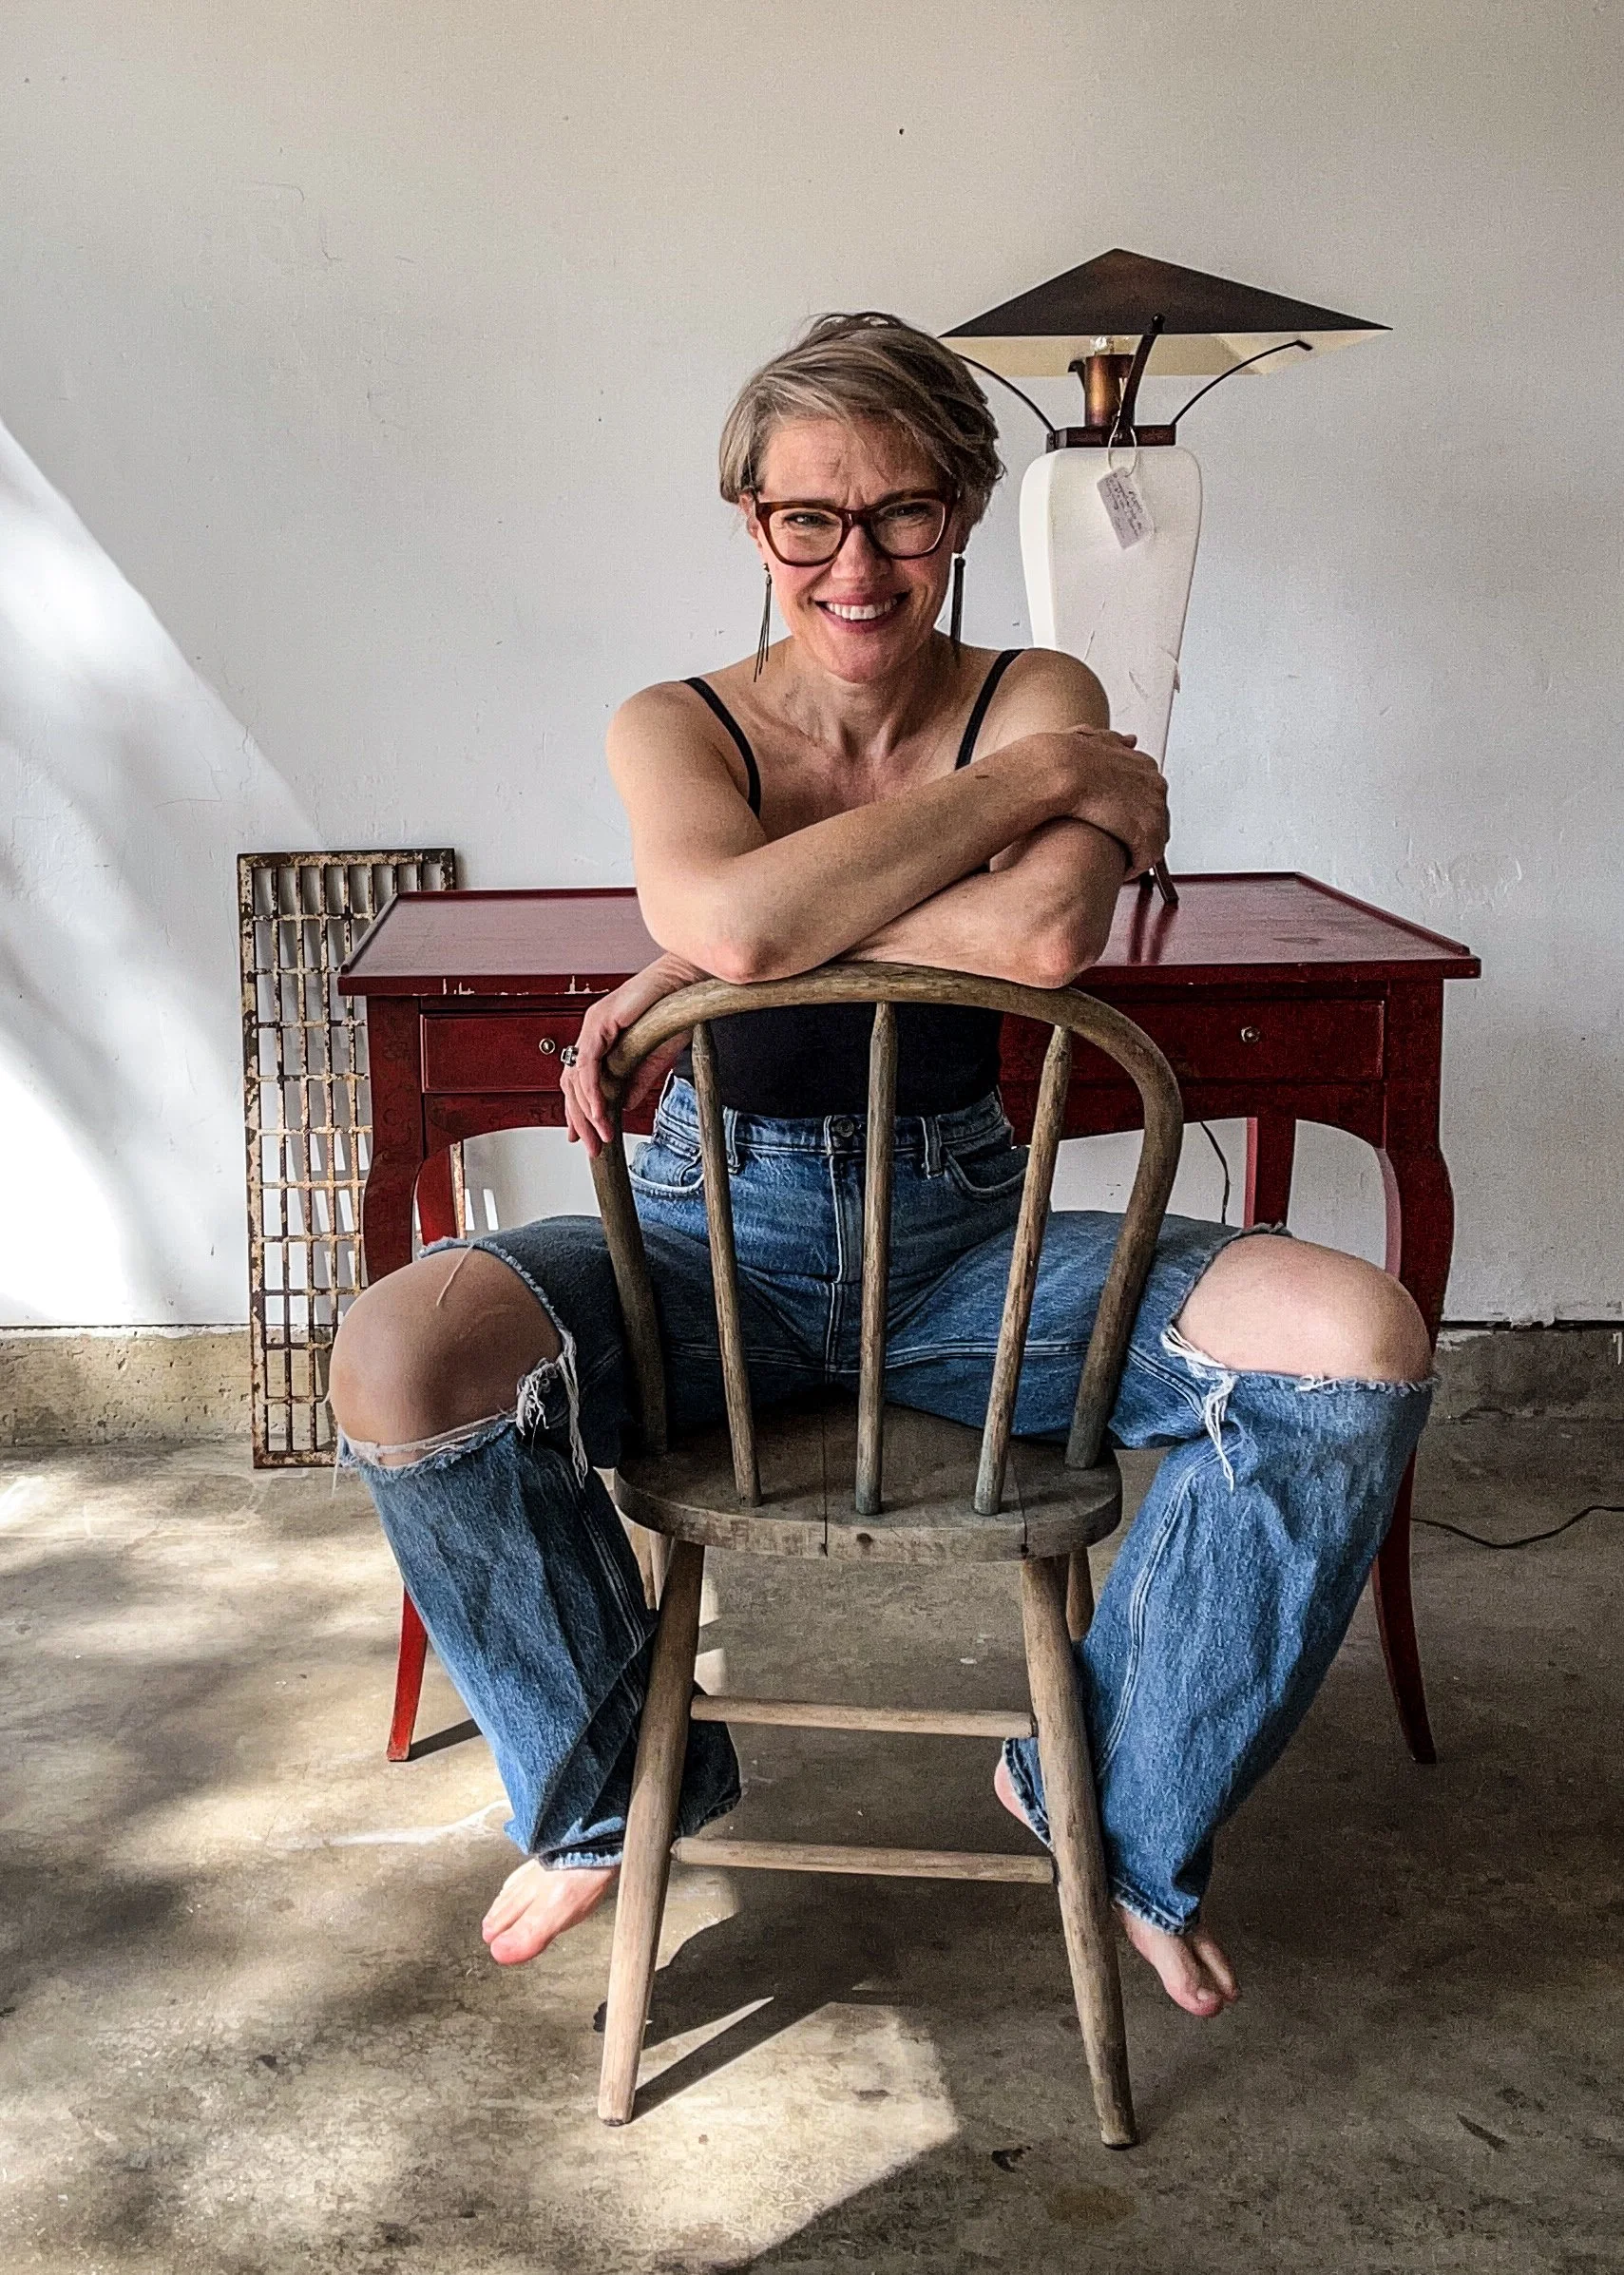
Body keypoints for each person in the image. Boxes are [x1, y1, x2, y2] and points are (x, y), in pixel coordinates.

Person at [330, 312, 1433, 2021]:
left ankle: (1115, 1797)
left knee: (1359, 1338)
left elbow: (1049, 933)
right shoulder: (682, 721)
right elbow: (748, 914)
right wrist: (1026, 799)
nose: (857, 565)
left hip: (967, 1246)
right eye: (807, 521)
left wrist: (723, 945)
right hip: (704, 1237)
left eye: (904, 514)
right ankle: (617, 1786)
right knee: (399, 1357)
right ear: (749, 521)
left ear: (967, 515)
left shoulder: (1030, 691)